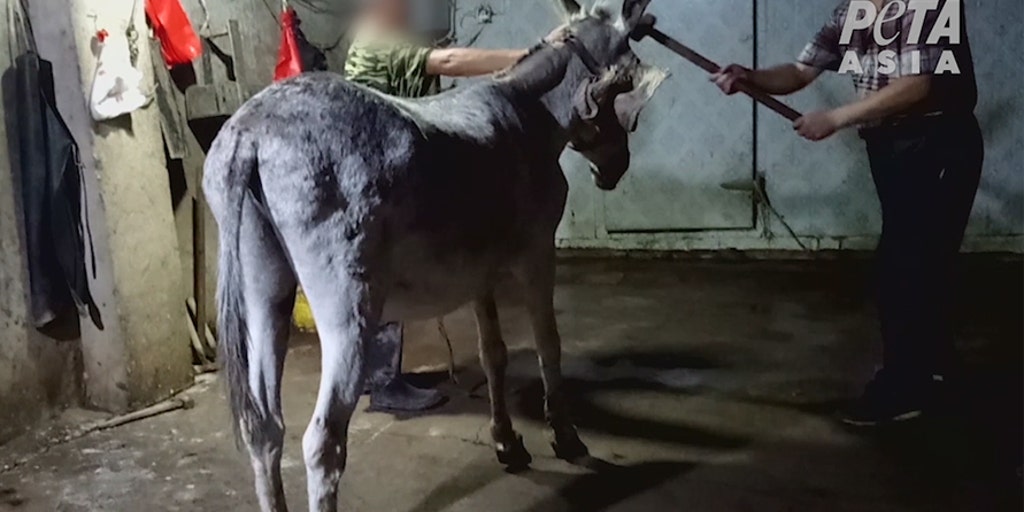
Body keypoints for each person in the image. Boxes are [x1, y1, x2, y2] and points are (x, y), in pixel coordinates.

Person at [712, 0, 981, 426]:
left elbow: (917, 85)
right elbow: (800, 71)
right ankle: (936, 369)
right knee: (919, 262)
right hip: (891, 147)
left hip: (938, 141)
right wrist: (750, 76)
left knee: (904, 266)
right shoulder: (853, 10)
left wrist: (836, 118)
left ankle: (904, 388)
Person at [343, 0, 528, 412]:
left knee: (374, 277)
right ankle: (384, 385)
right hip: (374, 168)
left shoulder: (378, 37)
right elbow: (448, 61)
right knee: (381, 275)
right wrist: (527, 58)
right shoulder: (375, 41)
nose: (407, 8)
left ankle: (371, 377)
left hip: (370, 164)